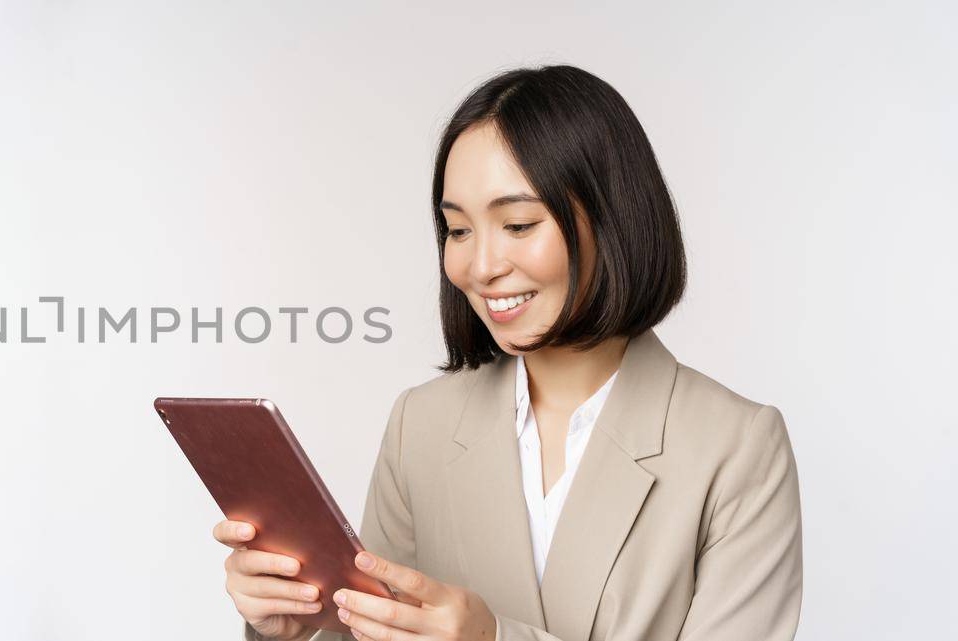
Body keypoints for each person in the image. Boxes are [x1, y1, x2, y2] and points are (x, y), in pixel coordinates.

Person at [211, 65, 803, 641]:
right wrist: (293, 631)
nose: (483, 266)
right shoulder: (421, 425)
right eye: (459, 231)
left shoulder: (736, 445)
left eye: (518, 224)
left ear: (613, 219)